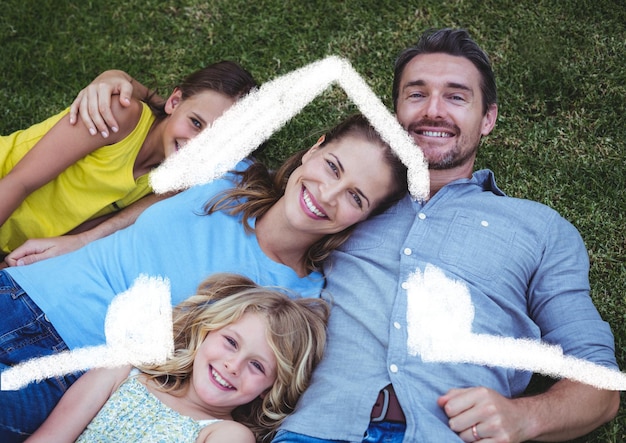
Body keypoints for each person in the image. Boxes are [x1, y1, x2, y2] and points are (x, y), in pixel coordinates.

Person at [7, 28, 619, 442]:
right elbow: (177, 119)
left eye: (455, 97)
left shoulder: (541, 230)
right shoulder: (268, 186)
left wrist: (524, 417)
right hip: (312, 430)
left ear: (486, 118)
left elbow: (601, 382)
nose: (433, 109)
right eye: (416, 94)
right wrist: (82, 234)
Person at [0, 112, 408, 442]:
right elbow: (169, 139)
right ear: (314, 148)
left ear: (365, 219)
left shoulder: (297, 300)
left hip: (68, 372)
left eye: (356, 197)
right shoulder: (233, 174)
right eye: (332, 167)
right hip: (22, 288)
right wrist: (85, 237)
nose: (327, 194)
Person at [25, 273, 330, 443]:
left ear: (269, 388)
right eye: (231, 342)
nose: (233, 366)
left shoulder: (227, 434)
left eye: (257, 366)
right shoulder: (121, 373)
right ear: (205, 332)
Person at [0, 60, 256, 257]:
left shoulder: (171, 184)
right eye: (196, 123)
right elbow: (19, 182)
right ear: (175, 102)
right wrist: (117, 77)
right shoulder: (120, 117)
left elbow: (80, 232)